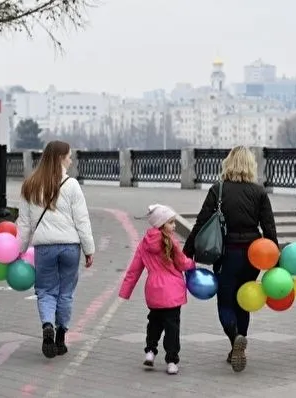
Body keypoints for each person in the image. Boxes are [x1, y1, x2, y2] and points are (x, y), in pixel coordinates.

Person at [183, 146, 278, 373]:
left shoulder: (219, 189)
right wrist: (275, 259)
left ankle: (235, 337)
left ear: (228, 163)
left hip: (227, 254)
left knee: (226, 302)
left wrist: (187, 252)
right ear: (250, 166)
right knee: (244, 300)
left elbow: (201, 222)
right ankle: (239, 345)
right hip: (253, 256)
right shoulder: (259, 192)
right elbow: (269, 229)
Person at [16, 140, 95, 359]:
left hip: (45, 248)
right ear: (60, 158)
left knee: (46, 290)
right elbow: (82, 221)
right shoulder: (71, 185)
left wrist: (19, 250)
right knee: (66, 291)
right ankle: (60, 337)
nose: (71, 160)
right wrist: (89, 249)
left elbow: (24, 223)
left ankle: (48, 325)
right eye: (69, 156)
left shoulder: (30, 185)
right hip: (70, 247)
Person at [119, 204, 196, 375]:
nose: (174, 226)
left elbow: (134, 269)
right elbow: (183, 263)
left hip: (153, 291)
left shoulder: (144, 244)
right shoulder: (171, 242)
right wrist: (193, 264)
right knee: (172, 327)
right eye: (171, 222)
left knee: (154, 322)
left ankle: (150, 351)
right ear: (161, 225)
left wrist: (125, 291)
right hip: (172, 292)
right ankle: (171, 361)